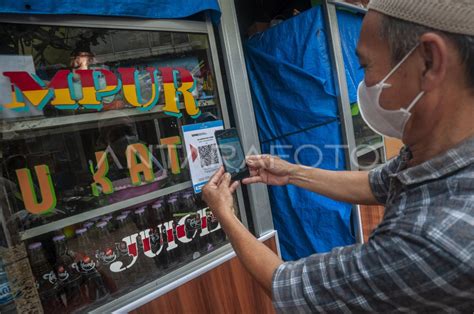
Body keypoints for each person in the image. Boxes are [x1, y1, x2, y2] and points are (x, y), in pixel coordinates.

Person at [202, 0, 474, 312]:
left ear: (429, 61)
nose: (362, 86)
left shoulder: (436, 239)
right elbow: (375, 184)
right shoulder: (436, 155)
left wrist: (224, 213)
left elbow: (287, 284)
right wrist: (291, 173)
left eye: (366, 66)